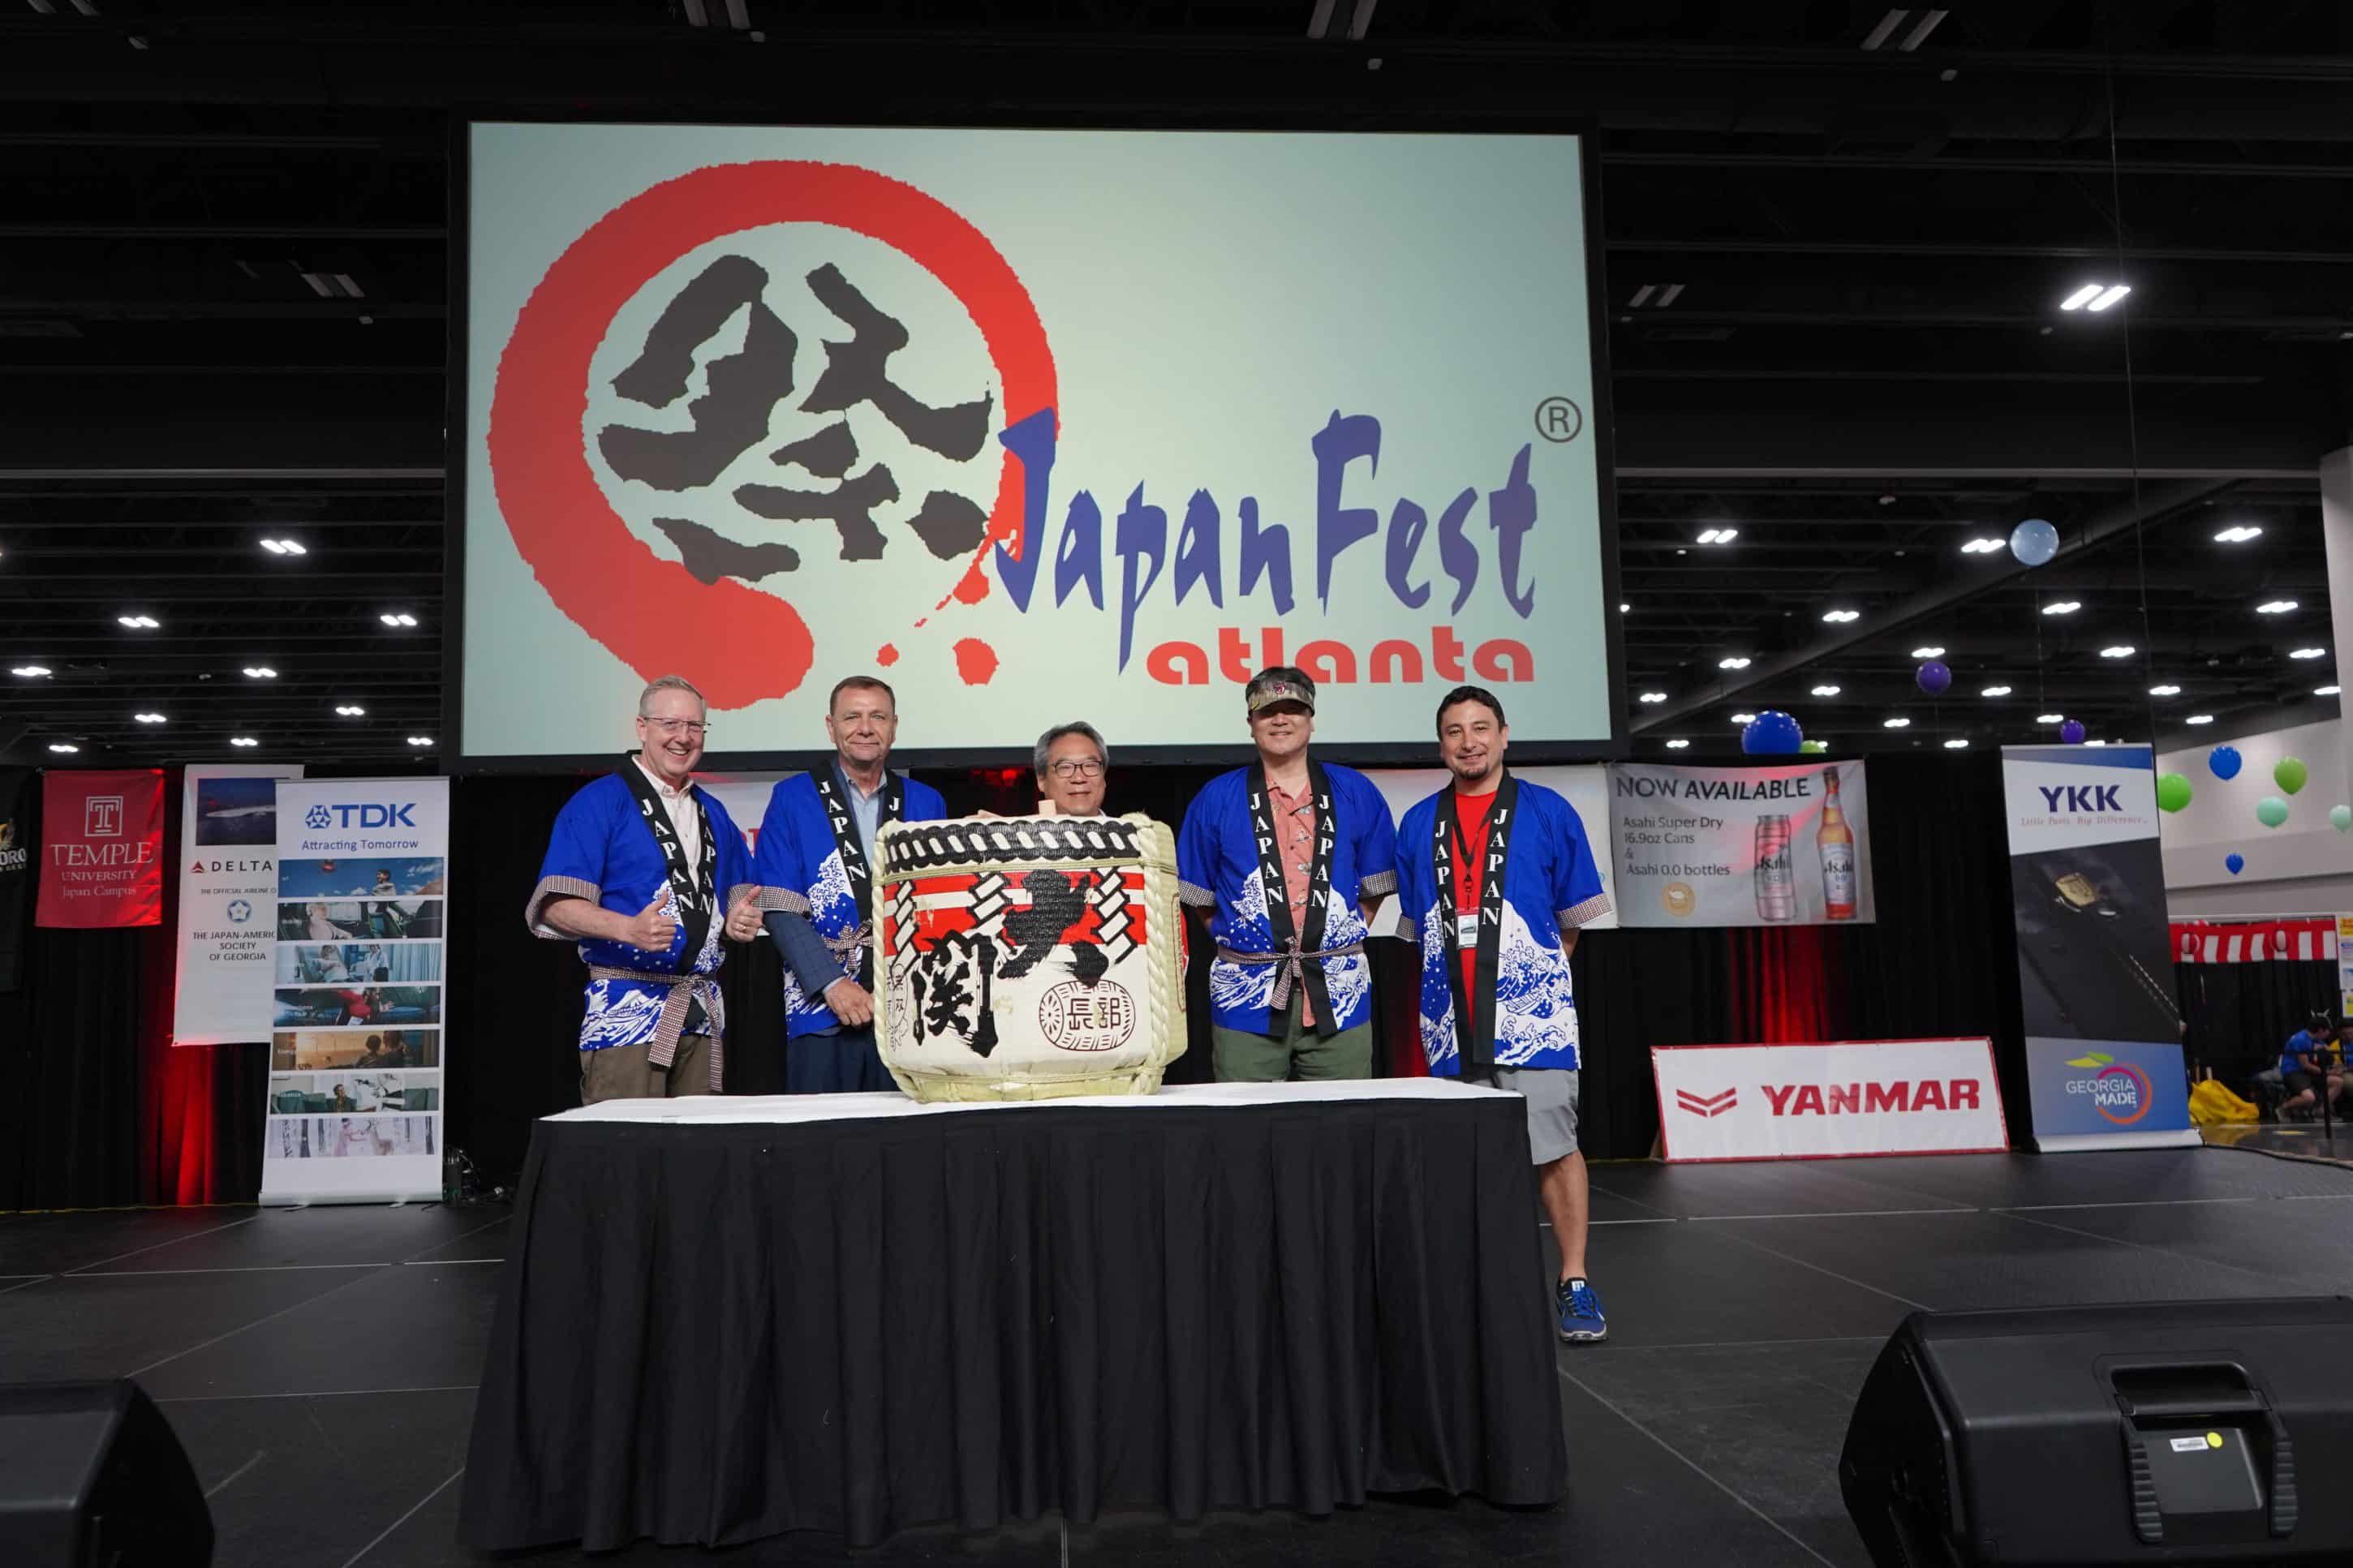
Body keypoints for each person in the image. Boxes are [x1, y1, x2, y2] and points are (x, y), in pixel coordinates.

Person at [1393, 685, 1614, 1343]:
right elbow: (1418, 929)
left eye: (1481, 727)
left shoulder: (1549, 812)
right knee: (1465, 1162)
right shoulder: (1417, 824)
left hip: (1531, 1016)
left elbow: (1572, 922)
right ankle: (1480, 1288)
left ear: (1505, 735)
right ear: (1442, 745)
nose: (1469, 741)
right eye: (1455, 731)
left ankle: (1574, 1280)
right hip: (1449, 1023)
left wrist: (1528, 976)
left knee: (1553, 1149)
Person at [528, 675, 765, 1103]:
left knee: (696, 1155)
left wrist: (739, 921)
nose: (683, 737)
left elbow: (738, 897)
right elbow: (555, 905)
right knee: (623, 1153)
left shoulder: (713, 811)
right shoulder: (599, 802)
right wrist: (627, 929)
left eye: (695, 727)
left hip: (700, 1011)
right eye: (670, 724)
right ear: (642, 728)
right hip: (626, 1009)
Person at [1176, 666, 1397, 1081]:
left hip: (1340, 991)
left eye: (1293, 709)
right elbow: (1200, 898)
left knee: (1341, 1128)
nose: (1281, 719)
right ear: (1251, 724)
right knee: (1247, 1131)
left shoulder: (1355, 790)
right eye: (1267, 711)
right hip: (1245, 997)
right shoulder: (1216, 798)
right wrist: (1246, 941)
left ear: (1311, 719)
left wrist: (1329, 936)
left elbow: (1375, 886)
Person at [754, 676, 945, 1093]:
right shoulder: (792, 798)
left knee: (903, 1144)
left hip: (904, 1006)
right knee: (820, 1145)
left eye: (877, 717)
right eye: (852, 717)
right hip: (820, 1005)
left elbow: (938, 908)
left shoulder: (926, 802)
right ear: (831, 726)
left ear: (894, 726)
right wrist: (832, 984)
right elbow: (778, 906)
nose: (865, 727)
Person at [2278, 1012, 2347, 1120]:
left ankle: (2321, 1111)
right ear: (2320, 1030)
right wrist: (2329, 1072)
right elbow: (2306, 1066)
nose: (2329, 1033)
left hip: (2308, 1073)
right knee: (2309, 1098)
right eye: (2328, 1030)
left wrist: (2337, 1067)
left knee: (2338, 1082)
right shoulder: (2300, 1040)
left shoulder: (2316, 1039)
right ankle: (2283, 1108)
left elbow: (2329, 1052)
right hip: (2294, 1072)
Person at [1035, 722, 1109, 815]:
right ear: (1041, 781)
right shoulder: (1020, 830)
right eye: (1065, 767)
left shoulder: (1130, 829)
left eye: (1090, 766)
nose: (1079, 779)